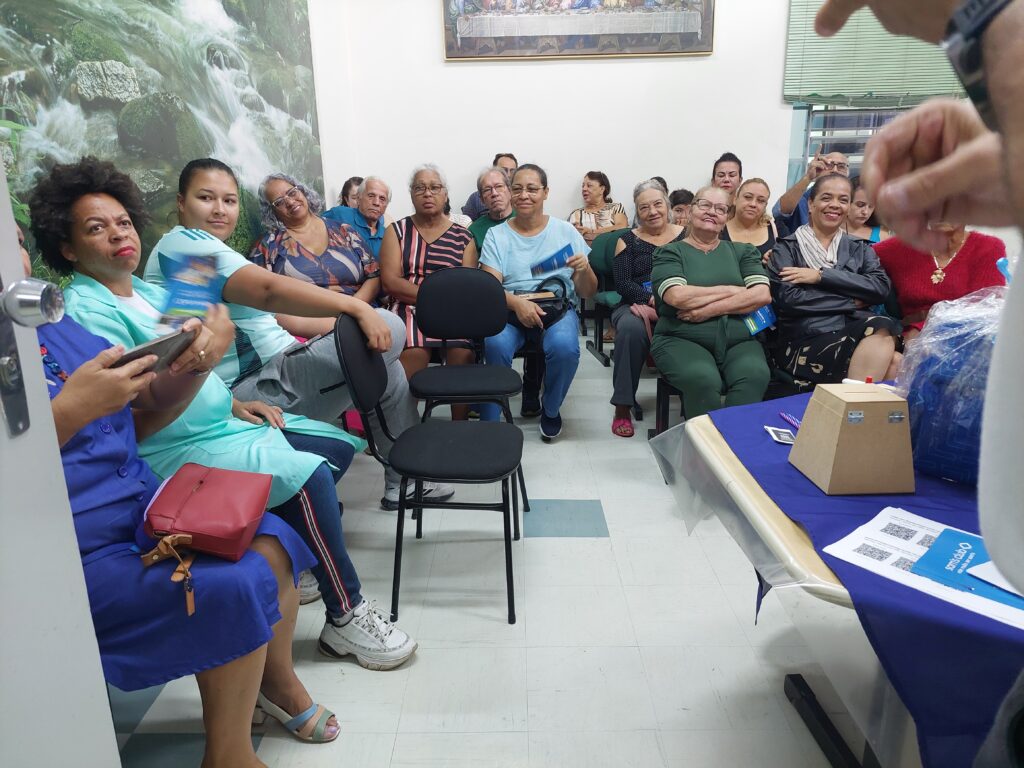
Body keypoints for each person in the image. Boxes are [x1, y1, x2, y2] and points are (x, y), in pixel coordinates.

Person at [30, 157, 418, 671]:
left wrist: (233, 401)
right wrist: (353, 309)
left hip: (221, 417)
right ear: (67, 247)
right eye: (97, 229)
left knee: (334, 447)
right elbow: (144, 401)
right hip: (174, 442)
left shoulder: (151, 291)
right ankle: (345, 614)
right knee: (310, 476)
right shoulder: (103, 299)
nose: (119, 234)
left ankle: (304, 554)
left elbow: (201, 355)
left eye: (123, 222)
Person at [817, 4, 1024, 767]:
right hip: (914, 345)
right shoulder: (894, 250)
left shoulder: (985, 251)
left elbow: (988, 310)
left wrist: (985, 21)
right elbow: (875, 294)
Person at [144, 160, 448, 514]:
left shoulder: (200, 253)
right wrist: (357, 310)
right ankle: (405, 480)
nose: (219, 210)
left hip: (280, 365)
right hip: (256, 386)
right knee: (388, 325)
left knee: (385, 358)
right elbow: (269, 291)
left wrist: (346, 328)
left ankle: (404, 482)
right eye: (206, 198)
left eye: (229, 200)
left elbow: (261, 319)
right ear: (181, 202)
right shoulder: (187, 245)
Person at [480, 163, 598, 440]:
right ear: (510, 192)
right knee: (495, 344)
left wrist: (584, 270)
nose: (524, 195)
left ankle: (552, 408)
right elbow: (490, 288)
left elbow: (587, 292)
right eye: (517, 189)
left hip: (556, 309)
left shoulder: (566, 232)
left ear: (545, 192)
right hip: (510, 308)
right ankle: (493, 416)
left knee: (565, 348)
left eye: (532, 189)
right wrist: (518, 304)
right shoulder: (497, 235)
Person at [650, 185, 772, 418]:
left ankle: (734, 437)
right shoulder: (670, 252)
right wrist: (733, 290)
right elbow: (677, 296)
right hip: (681, 338)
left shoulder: (743, 252)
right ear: (691, 211)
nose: (712, 212)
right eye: (705, 205)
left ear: (726, 218)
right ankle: (705, 440)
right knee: (703, 379)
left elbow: (761, 295)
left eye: (720, 208)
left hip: (739, 341)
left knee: (755, 375)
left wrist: (708, 310)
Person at [768, 174, 900, 384]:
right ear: (811, 204)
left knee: (895, 360)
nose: (835, 205)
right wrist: (850, 301)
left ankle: (851, 403)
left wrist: (821, 276)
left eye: (843, 200)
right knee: (890, 353)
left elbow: (880, 288)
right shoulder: (786, 248)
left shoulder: (860, 248)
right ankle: (854, 404)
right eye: (826, 198)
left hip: (858, 329)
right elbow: (790, 299)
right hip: (806, 337)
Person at [380, 164, 476, 413]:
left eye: (435, 187)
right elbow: (390, 281)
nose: (427, 193)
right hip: (409, 306)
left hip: (453, 308)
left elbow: (468, 285)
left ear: (445, 194)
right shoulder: (397, 231)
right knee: (414, 352)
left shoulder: (463, 237)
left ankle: (460, 426)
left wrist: (444, 303)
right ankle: (403, 423)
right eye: (420, 188)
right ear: (411, 194)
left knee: (461, 353)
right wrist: (433, 299)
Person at [466, 165, 547, 417]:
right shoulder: (475, 230)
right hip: (492, 299)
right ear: (481, 198)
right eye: (487, 190)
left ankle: (531, 390)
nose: (494, 193)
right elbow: (470, 273)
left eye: (499, 187)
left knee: (542, 321)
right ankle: (490, 395)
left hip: (534, 293)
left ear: (510, 190)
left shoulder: (531, 220)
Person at [609, 180, 685, 437]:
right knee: (630, 330)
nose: (652, 211)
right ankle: (622, 406)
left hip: (680, 302)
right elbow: (622, 283)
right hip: (635, 304)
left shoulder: (686, 236)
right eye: (644, 207)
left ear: (667, 205)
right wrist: (652, 299)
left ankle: (692, 399)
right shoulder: (626, 240)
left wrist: (672, 301)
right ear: (637, 212)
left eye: (657, 204)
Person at [251, 172, 381, 308]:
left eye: (292, 193)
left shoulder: (344, 231)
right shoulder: (268, 246)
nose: (290, 202)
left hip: (362, 311)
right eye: (279, 202)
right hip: (307, 318)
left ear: (302, 191)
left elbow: (374, 275)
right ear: (272, 212)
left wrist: (354, 308)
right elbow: (260, 297)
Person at [875, 225, 1006, 340]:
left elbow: (986, 313)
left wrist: (924, 330)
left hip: (966, 341)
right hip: (909, 341)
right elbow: (864, 257)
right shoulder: (902, 246)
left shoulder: (989, 247)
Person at [773, 149, 850, 238]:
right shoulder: (804, 199)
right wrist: (808, 177)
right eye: (829, 165)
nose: (835, 170)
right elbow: (778, 213)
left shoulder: (854, 200)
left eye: (841, 166)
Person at [323, 176, 392, 259]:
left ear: (386, 205)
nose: (376, 202)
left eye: (382, 199)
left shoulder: (388, 236)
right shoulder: (340, 214)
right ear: (358, 198)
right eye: (371, 196)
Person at [721, 178, 777, 264]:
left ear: (765, 206)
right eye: (748, 197)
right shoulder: (717, 229)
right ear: (735, 199)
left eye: (761, 200)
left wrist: (777, 260)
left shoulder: (776, 229)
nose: (753, 204)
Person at [568, 170, 629, 245]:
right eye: (583, 186)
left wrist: (592, 232)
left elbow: (622, 227)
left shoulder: (615, 208)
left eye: (589, 185)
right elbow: (568, 239)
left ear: (602, 189)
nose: (584, 189)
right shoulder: (575, 214)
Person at [463, 152, 518, 221]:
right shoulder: (475, 198)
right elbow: (466, 223)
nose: (509, 175)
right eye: (504, 170)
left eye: (512, 171)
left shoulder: (520, 196)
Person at [844, 176, 890, 243]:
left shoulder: (883, 236)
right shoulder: (831, 231)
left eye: (871, 206)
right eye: (860, 205)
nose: (865, 212)